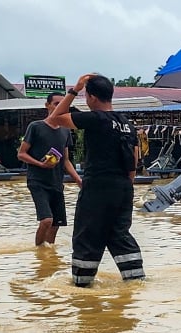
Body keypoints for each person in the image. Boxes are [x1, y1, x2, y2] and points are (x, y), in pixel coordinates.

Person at [46, 74, 145, 287]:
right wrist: (126, 187)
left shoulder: (95, 119)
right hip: (124, 188)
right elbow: (133, 161)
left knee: (87, 235)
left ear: (91, 97)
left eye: (85, 95)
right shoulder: (127, 124)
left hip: (98, 188)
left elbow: (54, 118)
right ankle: (136, 282)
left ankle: (82, 290)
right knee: (119, 234)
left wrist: (73, 91)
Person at [17, 92, 82, 246]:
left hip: (56, 182)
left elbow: (66, 160)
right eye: (56, 104)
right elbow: (21, 154)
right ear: (47, 106)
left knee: (55, 224)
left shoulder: (65, 130)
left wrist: (78, 180)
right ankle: (39, 251)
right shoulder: (36, 127)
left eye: (62, 104)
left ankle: (48, 256)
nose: (59, 107)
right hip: (38, 181)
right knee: (47, 220)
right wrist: (40, 164)